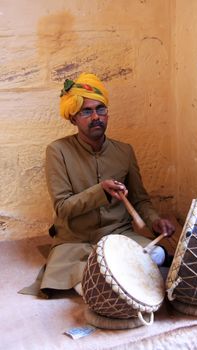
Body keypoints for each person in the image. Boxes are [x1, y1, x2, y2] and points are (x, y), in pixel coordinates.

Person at [40, 72, 175, 297]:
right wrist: (99, 191)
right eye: (87, 111)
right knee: (91, 282)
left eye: (101, 109)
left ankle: (112, 270)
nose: (96, 117)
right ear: (73, 118)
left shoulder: (124, 151)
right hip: (76, 239)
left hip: (118, 235)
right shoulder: (58, 151)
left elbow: (140, 200)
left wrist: (155, 221)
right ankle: (98, 274)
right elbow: (62, 208)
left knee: (157, 254)